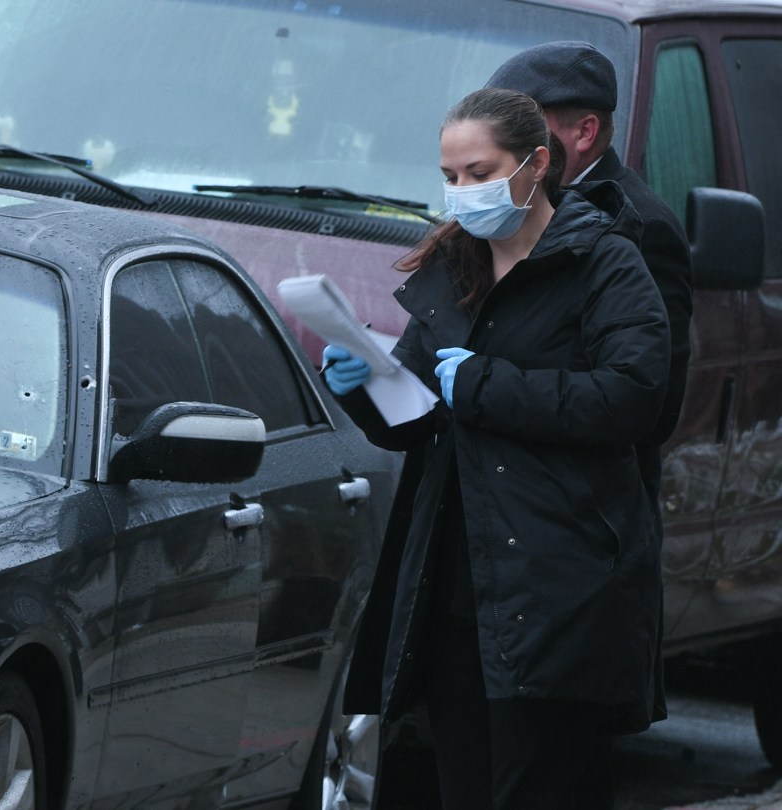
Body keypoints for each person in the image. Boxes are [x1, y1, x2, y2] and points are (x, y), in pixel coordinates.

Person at [324, 87, 670, 809]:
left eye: (480, 173)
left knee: (537, 786)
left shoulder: (604, 263)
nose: (462, 193)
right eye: (450, 177)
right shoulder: (455, 270)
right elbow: (421, 417)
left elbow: (633, 397)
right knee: (457, 784)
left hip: (557, 588)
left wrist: (484, 385)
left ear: (537, 163)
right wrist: (364, 383)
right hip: (454, 586)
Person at [485, 40, 693, 509]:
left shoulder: (642, 226)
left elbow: (649, 405)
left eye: (520, 126)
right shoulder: (513, 205)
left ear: (584, 133)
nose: (499, 142)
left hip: (587, 519)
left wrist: (491, 388)